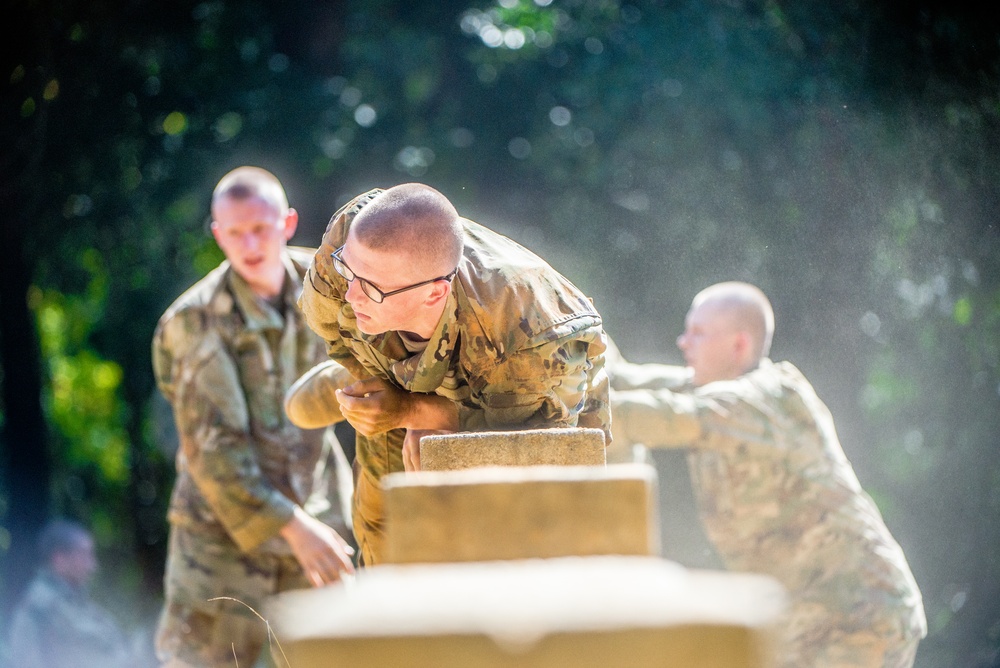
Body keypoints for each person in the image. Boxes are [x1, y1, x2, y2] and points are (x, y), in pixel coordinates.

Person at [289, 183, 611, 566]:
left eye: (371, 289)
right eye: (349, 272)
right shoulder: (351, 242)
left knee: (505, 544)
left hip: (515, 404)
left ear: (432, 295)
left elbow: (532, 449)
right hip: (395, 358)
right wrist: (390, 397)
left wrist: (420, 411)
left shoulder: (532, 338)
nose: (352, 294)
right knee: (384, 534)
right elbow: (336, 332)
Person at [609, 281, 927, 667]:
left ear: (739, 346)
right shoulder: (722, 391)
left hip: (861, 615)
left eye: (698, 333)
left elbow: (653, 416)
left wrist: (574, 399)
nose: (683, 342)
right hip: (809, 621)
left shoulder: (761, 401)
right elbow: (635, 382)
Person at [152, 166, 355, 667]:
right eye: (235, 232)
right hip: (219, 545)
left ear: (287, 223)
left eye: (260, 228)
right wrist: (293, 527)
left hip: (318, 514)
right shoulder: (193, 322)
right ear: (218, 234)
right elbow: (214, 451)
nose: (249, 244)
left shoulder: (333, 291)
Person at [5, 520, 133, 668]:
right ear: (59, 558)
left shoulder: (78, 605)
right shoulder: (39, 609)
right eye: (84, 554)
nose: (93, 566)